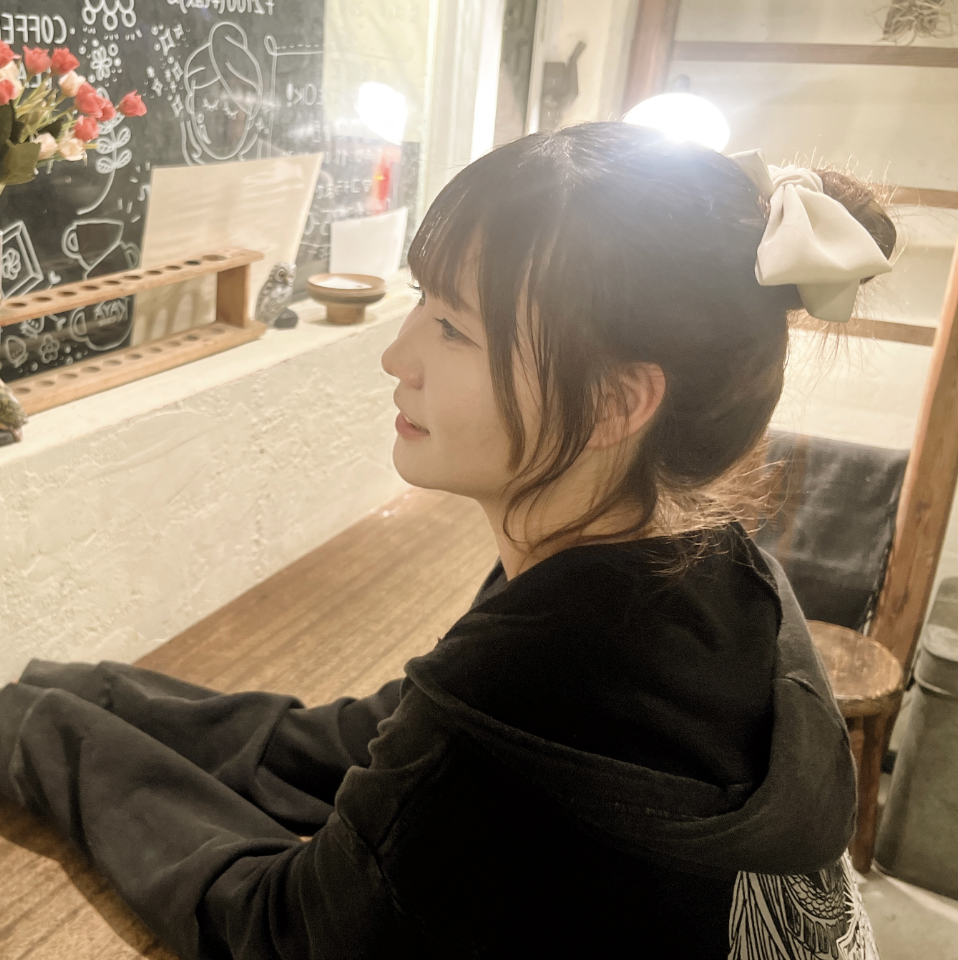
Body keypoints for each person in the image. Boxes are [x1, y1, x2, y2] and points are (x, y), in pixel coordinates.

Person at [0, 122, 896, 959]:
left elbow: (281, 931)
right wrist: (86, 695)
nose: (398, 355)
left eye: (454, 327)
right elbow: (375, 739)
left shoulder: (542, 688)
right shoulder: (713, 573)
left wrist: (41, 735)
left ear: (617, 402)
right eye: (422, 298)